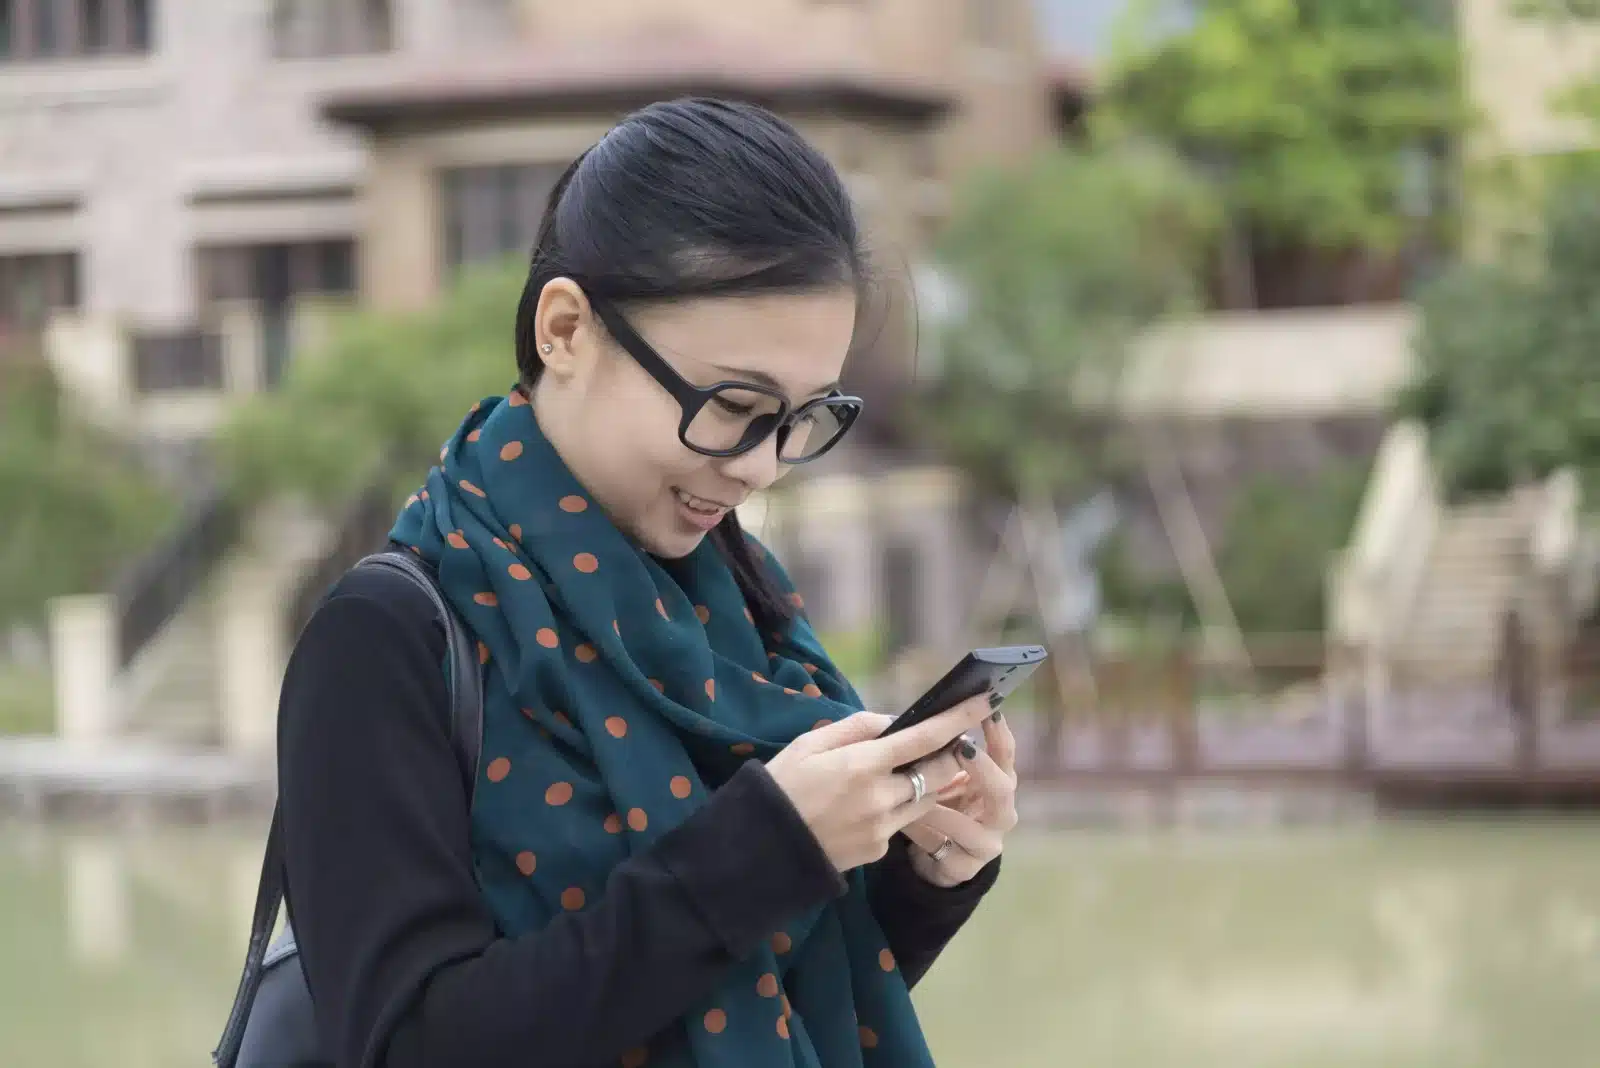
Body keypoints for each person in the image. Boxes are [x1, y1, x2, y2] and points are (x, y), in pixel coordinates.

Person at [277, 97, 1020, 1068]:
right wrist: (763, 853)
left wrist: (927, 872)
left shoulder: (744, 604)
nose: (761, 467)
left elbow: (773, 998)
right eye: (734, 406)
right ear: (565, 330)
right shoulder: (385, 637)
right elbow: (407, 1044)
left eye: (802, 419)